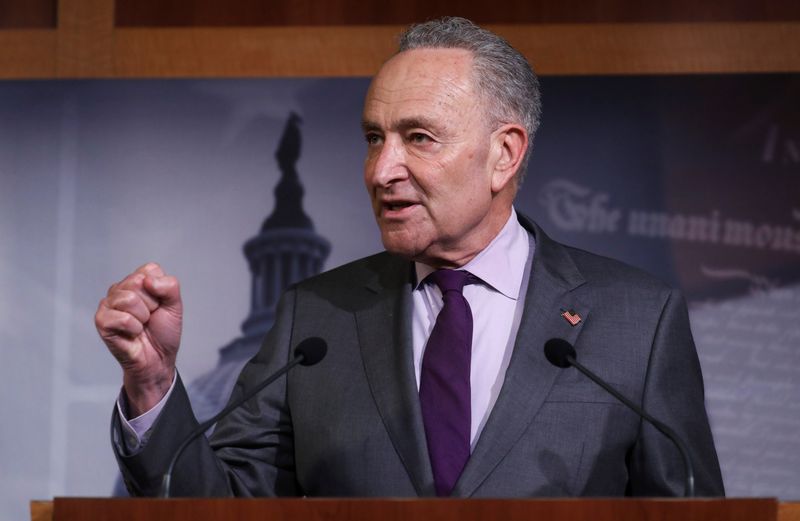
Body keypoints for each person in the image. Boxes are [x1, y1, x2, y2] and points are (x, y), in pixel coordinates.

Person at [95, 17, 725, 497]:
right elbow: (219, 505)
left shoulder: (637, 319)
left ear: (504, 154)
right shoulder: (315, 320)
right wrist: (151, 384)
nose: (381, 170)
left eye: (418, 138)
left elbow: (691, 507)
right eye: (374, 138)